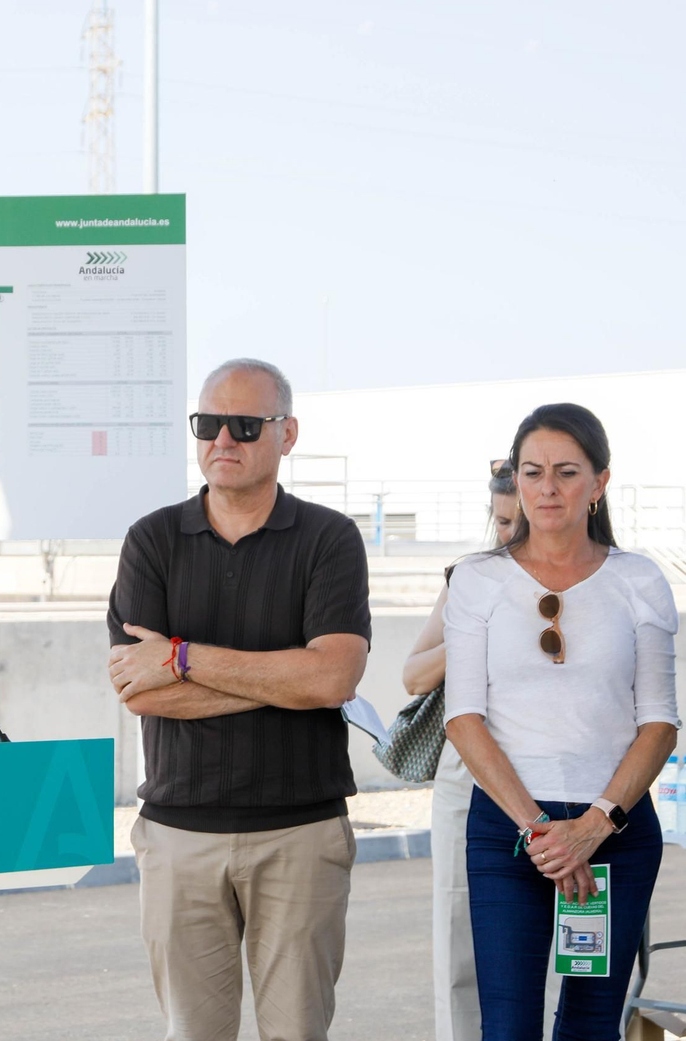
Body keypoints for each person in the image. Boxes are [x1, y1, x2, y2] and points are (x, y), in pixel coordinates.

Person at [106, 358, 372, 1041]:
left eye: (245, 426)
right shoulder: (152, 540)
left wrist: (185, 657)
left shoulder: (329, 539)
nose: (223, 439)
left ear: (287, 434)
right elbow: (142, 691)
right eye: (208, 423)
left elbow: (333, 681)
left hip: (300, 835)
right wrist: (287, 680)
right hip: (178, 837)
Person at [444, 403, 679, 1038]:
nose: (548, 488)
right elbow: (463, 718)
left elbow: (659, 723)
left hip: (616, 833)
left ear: (599, 483)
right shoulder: (476, 579)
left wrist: (593, 827)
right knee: (509, 1027)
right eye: (533, 471)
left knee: (591, 1026)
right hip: (508, 831)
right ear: (515, 481)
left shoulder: (641, 580)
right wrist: (545, 832)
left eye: (567, 471)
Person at [402, 461, 519, 1041]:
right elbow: (413, 675)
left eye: (519, 521)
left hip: (554, 774)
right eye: (501, 522)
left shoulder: (587, 578)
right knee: (459, 930)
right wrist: (472, 630)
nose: (510, 535)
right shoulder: (467, 577)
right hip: (465, 776)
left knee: (560, 941)